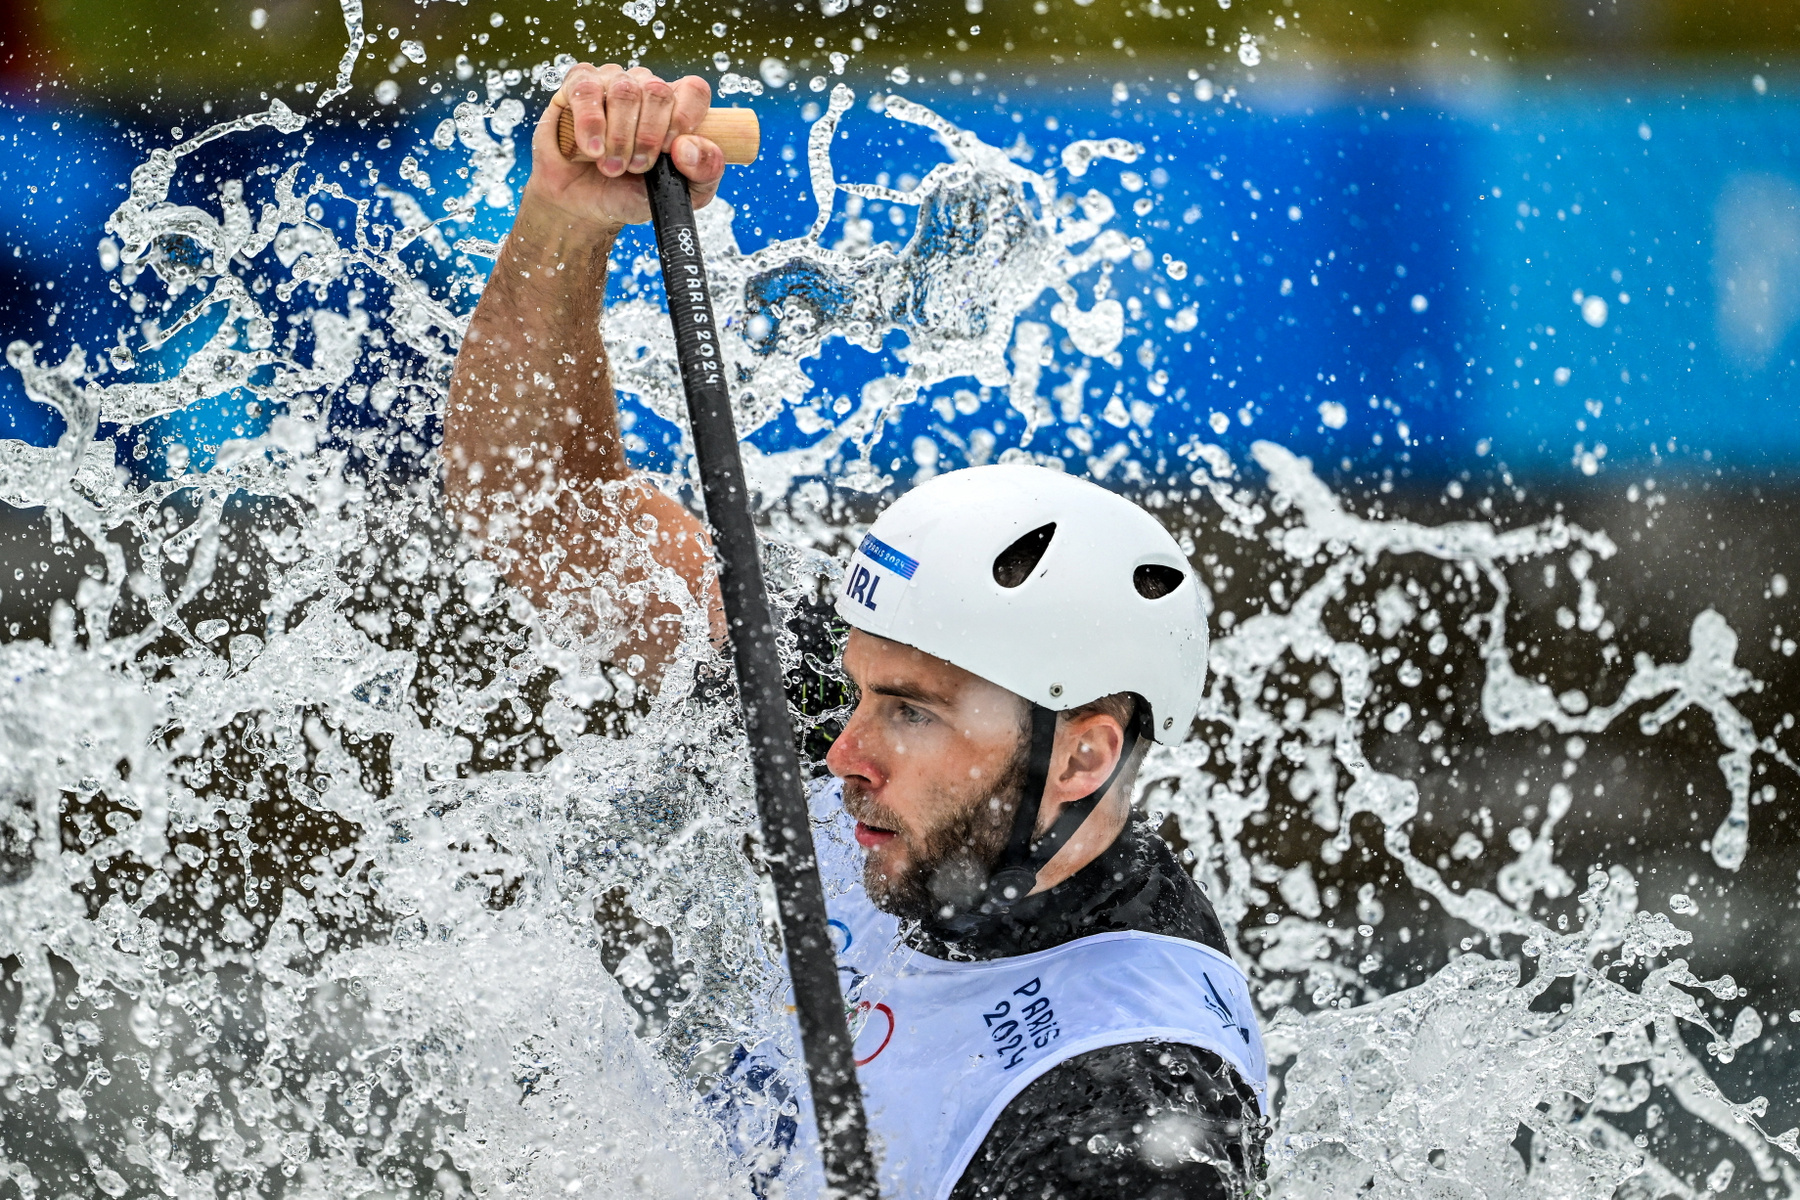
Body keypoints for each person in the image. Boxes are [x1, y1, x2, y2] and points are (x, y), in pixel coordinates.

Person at [442, 62, 1268, 1200]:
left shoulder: (1129, 1113)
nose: (840, 753)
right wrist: (563, 225)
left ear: (1082, 753)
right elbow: (541, 520)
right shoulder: (904, 764)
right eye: (862, 689)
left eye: (913, 713)